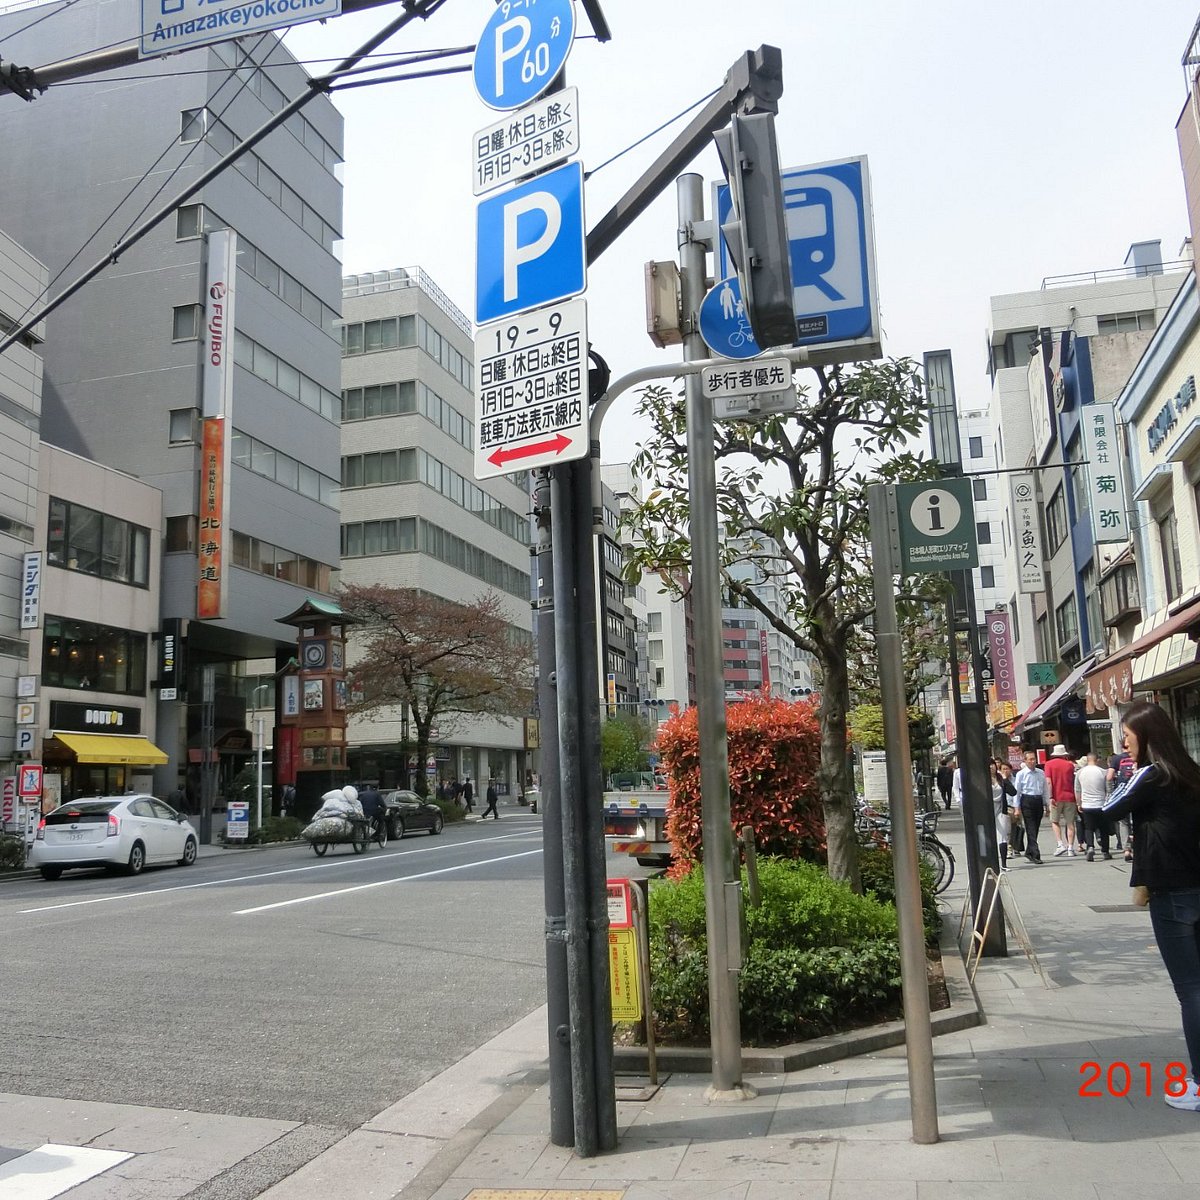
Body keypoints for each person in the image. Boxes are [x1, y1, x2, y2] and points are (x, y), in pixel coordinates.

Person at [1103, 701, 1200, 1112]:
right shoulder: (1192, 772)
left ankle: (1197, 1084)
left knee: (1192, 991)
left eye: (1127, 737)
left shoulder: (1149, 775)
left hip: (1171, 893)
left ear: (1146, 737)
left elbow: (1104, 812)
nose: (1124, 744)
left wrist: (1123, 775)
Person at [1044, 743, 1080, 857]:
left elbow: (1049, 782)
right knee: (1070, 823)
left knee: (1055, 821)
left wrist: (1050, 797)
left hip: (1056, 796)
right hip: (1069, 796)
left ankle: (1060, 844)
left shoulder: (1048, 764)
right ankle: (1070, 847)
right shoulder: (1070, 765)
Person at [1075, 751, 1111, 860]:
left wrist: (1078, 803)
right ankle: (1105, 851)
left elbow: (1077, 790)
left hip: (1087, 804)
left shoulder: (1080, 773)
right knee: (1103, 828)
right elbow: (1108, 789)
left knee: (1088, 827)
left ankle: (1090, 847)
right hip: (1101, 804)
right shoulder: (1103, 772)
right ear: (1097, 760)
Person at [1013, 750, 1047, 864]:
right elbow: (1017, 792)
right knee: (1030, 827)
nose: (1033, 761)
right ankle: (1035, 854)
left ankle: (1029, 851)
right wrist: (1016, 807)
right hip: (1027, 800)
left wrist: (1046, 804)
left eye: (1034, 759)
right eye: (1030, 759)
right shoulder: (1021, 774)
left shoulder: (1040, 773)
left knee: (1035, 827)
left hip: (1038, 800)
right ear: (1025, 761)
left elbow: (1045, 789)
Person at [1108, 743, 1136, 860]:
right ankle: (1135, 847)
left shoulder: (1116, 759)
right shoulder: (1136, 757)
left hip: (1121, 794)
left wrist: (1110, 792)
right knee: (1135, 821)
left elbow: (1109, 777)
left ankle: (1126, 849)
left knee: (1123, 823)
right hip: (1135, 792)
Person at [991, 758, 1017, 871]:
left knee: (1003, 836)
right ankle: (991, 861)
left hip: (1001, 809)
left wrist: (1005, 780)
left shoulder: (1000, 778)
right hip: (988, 809)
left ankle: (1003, 864)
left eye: (992, 765)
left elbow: (1013, 792)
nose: (991, 767)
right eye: (988, 765)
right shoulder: (982, 778)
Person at [999, 762, 1025, 854]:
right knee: (1008, 828)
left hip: (1016, 806)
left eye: (1007, 769)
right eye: (1003, 769)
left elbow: (1018, 793)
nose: (1005, 771)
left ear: (1011, 770)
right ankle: (1009, 848)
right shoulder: (1000, 781)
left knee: (1017, 827)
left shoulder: (1015, 780)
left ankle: (1016, 846)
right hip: (1007, 807)